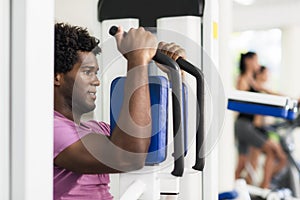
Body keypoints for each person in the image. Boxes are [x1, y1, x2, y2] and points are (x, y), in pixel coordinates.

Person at [54, 22, 186, 200]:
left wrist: (176, 77)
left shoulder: (96, 129)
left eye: (96, 73)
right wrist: (137, 59)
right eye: (87, 72)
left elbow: (158, 142)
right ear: (57, 77)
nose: (96, 82)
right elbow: (129, 156)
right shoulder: (51, 129)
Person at [234, 52, 286, 189]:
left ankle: (237, 190)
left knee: (242, 163)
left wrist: (290, 99)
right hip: (244, 125)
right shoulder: (243, 79)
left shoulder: (252, 80)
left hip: (246, 125)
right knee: (270, 150)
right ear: (248, 61)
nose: (257, 63)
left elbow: (269, 93)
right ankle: (264, 185)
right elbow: (243, 102)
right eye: (256, 60)